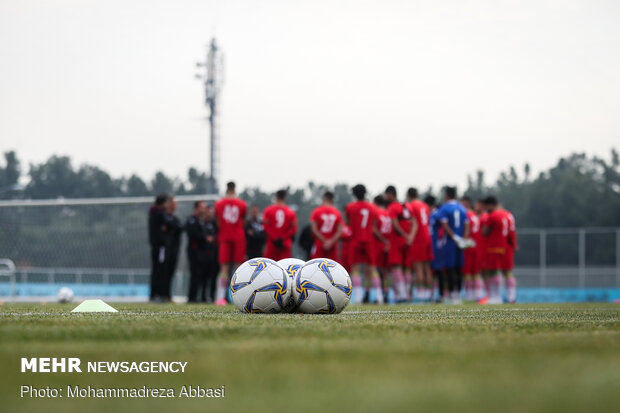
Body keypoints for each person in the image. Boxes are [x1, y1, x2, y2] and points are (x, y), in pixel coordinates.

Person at [345, 184, 382, 304]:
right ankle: (379, 296)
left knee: (355, 269)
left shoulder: (350, 207)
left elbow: (348, 222)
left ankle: (358, 297)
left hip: (355, 239)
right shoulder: (372, 207)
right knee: (372, 268)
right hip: (369, 239)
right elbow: (374, 224)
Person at [214, 182, 248, 305]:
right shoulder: (242, 204)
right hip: (238, 237)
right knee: (239, 268)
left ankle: (220, 297)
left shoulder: (219, 204)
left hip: (225, 236)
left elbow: (218, 222)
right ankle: (240, 296)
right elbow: (243, 221)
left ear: (226, 189)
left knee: (224, 268)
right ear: (235, 189)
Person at [436, 186, 470, 304]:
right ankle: (458, 294)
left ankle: (451, 293)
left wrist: (454, 237)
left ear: (446, 196)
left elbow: (444, 225)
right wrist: (463, 239)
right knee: (458, 268)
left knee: (450, 268)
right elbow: (467, 225)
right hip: (460, 242)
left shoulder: (444, 208)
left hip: (450, 242)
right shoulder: (462, 208)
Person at [385, 185, 416, 302]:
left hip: (397, 241)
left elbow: (395, 224)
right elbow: (414, 223)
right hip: (408, 241)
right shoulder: (407, 206)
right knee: (407, 268)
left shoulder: (393, 207)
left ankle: (402, 294)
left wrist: (405, 236)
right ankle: (408, 293)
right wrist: (411, 236)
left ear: (391, 194)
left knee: (396, 267)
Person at [406, 188, 434, 301]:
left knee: (418, 267)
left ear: (408, 195)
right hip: (427, 236)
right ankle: (430, 293)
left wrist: (410, 237)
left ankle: (421, 294)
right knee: (427, 267)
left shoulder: (410, 206)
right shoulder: (424, 205)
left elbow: (413, 222)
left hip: (418, 238)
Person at [481, 196, 506, 304]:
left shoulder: (493, 215)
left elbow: (485, 232)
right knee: (499, 271)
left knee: (492, 271)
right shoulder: (505, 214)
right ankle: (498, 296)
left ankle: (495, 297)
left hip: (494, 247)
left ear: (490, 205)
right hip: (503, 246)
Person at [263, 190, 298, 261]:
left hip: (272, 243)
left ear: (276, 197)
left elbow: (265, 227)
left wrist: (275, 238)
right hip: (285, 243)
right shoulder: (291, 212)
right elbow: (293, 229)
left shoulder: (268, 210)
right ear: (285, 198)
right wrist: (282, 238)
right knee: (285, 266)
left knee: (269, 265)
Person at [148, 194, 170, 302]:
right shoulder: (159, 214)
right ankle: (157, 294)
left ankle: (155, 294)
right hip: (160, 246)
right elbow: (168, 225)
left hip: (156, 245)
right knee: (159, 270)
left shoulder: (153, 213)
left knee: (157, 269)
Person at [186, 201, 209, 303]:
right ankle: (192, 297)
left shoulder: (201, 221)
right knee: (195, 274)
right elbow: (193, 233)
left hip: (202, 251)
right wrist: (205, 238)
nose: (204, 210)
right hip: (194, 251)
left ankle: (200, 296)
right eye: (202, 207)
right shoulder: (192, 220)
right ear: (197, 208)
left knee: (202, 274)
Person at [310, 191, 343, 260]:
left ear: (323, 199)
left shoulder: (316, 211)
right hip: (333, 244)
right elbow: (339, 231)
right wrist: (331, 241)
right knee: (332, 267)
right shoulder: (337, 213)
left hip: (319, 242)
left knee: (316, 265)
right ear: (332, 200)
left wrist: (324, 241)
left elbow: (314, 229)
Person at [461, 196, 482, 301]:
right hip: (477, 246)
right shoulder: (475, 215)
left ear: (465, 203)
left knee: (468, 272)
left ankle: (469, 295)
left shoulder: (466, 215)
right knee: (476, 272)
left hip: (468, 246)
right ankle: (477, 295)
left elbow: (466, 230)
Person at [373, 195, 392, 302]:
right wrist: (388, 242)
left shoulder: (376, 212)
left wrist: (383, 240)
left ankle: (378, 295)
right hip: (388, 244)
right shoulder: (388, 213)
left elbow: (374, 229)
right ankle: (386, 294)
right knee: (386, 272)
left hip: (378, 244)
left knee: (374, 270)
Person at [163, 196, 182, 301]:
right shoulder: (164, 216)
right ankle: (162, 294)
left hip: (174, 249)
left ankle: (167, 295)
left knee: (171, 272)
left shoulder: (175, 218)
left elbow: (179, 227)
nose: (176, 205)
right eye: (174, 203)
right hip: (166, 249)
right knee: (164, 272)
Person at [502, 206, 518, 303]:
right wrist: (514, 244)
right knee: (507, 272)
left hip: (500, 247)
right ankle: (511, 297)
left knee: (494, 271)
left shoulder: (496, 215)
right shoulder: (509, 215)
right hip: (507, 247)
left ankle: (495, 297)